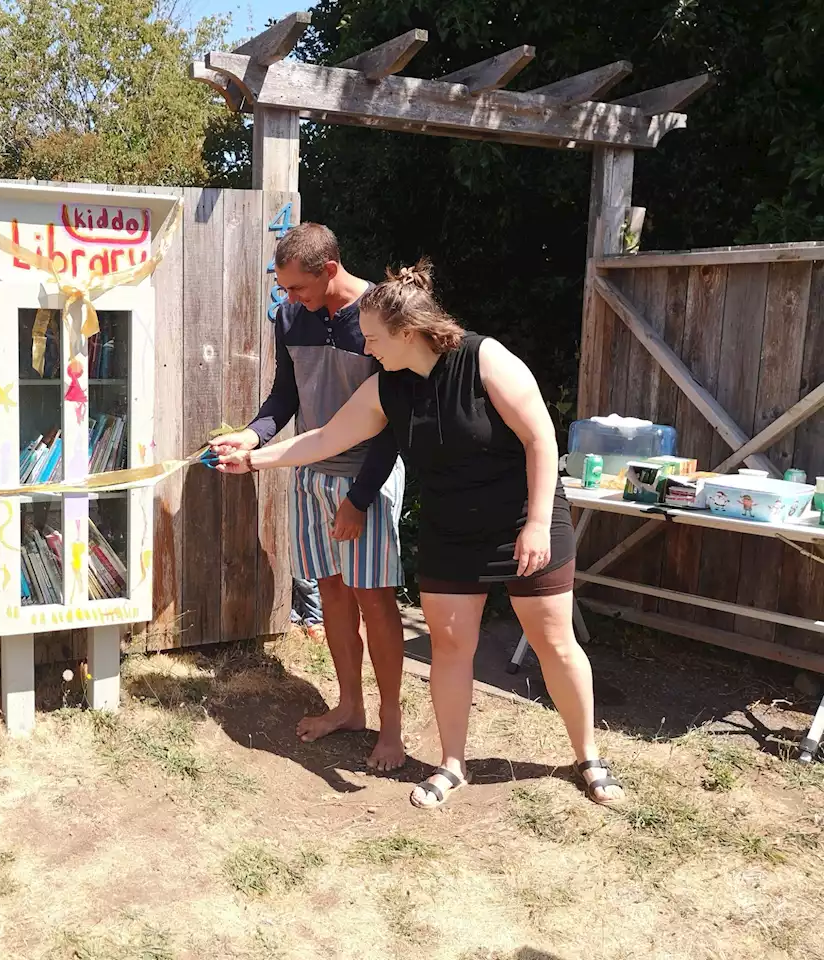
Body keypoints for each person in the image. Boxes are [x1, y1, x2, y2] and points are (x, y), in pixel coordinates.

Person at [216, 258, 626, 810]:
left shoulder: (484, 359)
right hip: (451, 529)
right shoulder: (392, 386)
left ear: (408, 333)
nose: (365, 349)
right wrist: (255, 460)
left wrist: (534, 524)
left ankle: (589, 757)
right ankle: (452, 765)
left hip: (523, 518)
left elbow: (541, 440)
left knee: (554, 642)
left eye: (373, 338)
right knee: (451, 648)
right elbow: (325, 438)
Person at [210, 223, 408, 773]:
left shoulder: (377, 317)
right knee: (334, 594)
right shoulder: (290, 318)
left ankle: (392, 726)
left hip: (368, 478)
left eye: (296, 287)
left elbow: (395, 421)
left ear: (328, 271)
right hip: (310, 477)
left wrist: (360, 498)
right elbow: (284, 397)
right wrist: (250, 437)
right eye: (284, 288)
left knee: (375, 600)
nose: (287, 298)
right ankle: (350, 707)